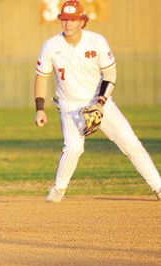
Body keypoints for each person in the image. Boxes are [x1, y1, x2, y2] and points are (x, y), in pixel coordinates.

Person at [34, 0, 161, 202]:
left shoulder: (96, 41)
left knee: (130, 143)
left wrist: (100, 103)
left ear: (82, 21)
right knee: (74, 148)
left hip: (100, 102)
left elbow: (110, 73)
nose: (67, 24)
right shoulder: (51, 46)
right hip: (70, 105)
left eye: (73, 20)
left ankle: (158, 187)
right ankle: (58, 190)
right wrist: (40, 109)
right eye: (64, 19)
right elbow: (41, 77)